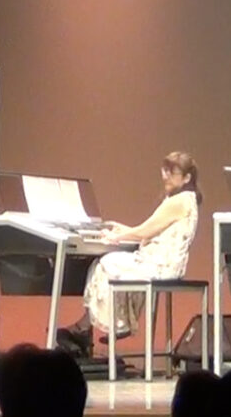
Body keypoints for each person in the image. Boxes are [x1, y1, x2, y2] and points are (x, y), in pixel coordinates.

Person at [57, 152, 201, 355]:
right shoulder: (184, 200)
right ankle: (89, 326)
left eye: (172, 172)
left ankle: (110, 324)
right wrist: (123, 230)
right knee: (108, 263)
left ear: (186, 178)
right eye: (165, 171)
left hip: (161, 265)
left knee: (105, 263)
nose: (165, 176)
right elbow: (151, 230)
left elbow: (145, 232)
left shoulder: (179, 201)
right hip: (161, 262)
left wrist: (117, 237)